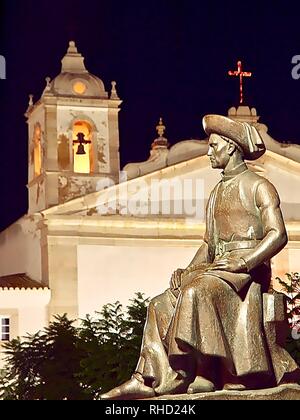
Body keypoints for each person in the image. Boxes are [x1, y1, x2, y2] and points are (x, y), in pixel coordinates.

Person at [101, 114, 300, 400]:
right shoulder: (218, 191)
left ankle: (205, 374)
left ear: (231, 147)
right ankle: (150, 377)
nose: (208, 152)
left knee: (197, 291)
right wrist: (187, 269)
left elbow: (278, 235)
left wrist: (244, 262)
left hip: (247, 271)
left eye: (214, 146)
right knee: (160, 303)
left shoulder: (259, 186)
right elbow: (208, 243)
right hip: (217, 267)